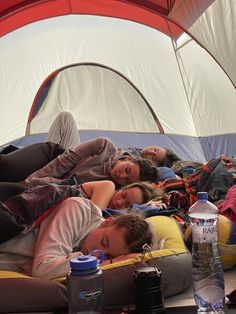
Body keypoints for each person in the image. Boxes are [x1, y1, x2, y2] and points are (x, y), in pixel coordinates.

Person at [0, 197, 155, 280]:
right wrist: (112, 261)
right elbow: (43, 270)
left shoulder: (96, 257)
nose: (96, 252)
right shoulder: (78, 210)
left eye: (107, 256)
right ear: (108, 222)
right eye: (104, 242)